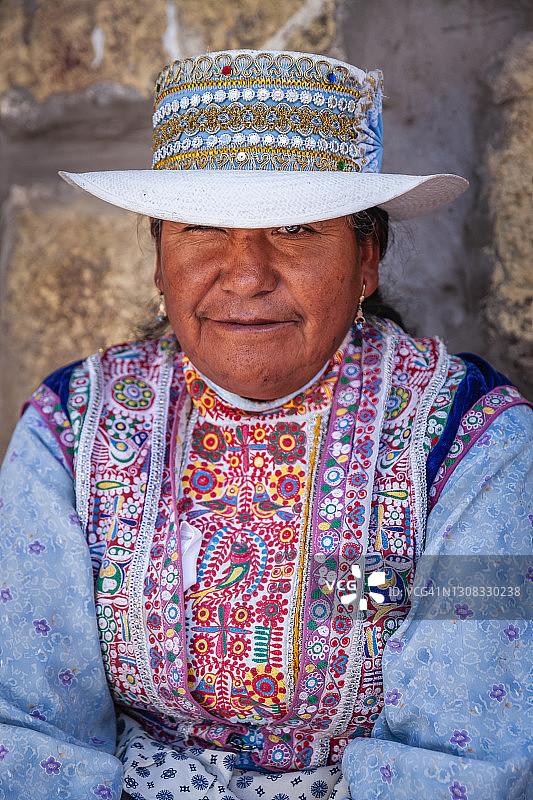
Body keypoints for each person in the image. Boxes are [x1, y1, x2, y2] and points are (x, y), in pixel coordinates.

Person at [0, 48, 531, 800]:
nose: (246, 272)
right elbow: (25, 722)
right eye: (202, 228)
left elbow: (468, 747)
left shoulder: (471, 444)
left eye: (295, 229)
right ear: (158, 259)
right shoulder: (71, 432)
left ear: (366, 258)